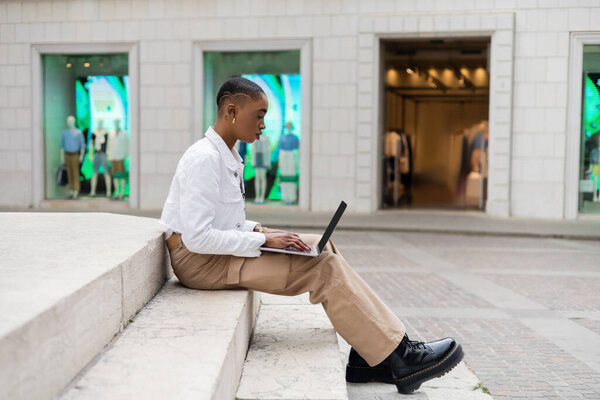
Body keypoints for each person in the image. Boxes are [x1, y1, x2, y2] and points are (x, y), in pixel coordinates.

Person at [159, 77, 463, 394]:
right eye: (259, 115)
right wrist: (264, 240)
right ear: (232, 111)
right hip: (201, 264)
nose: (264, 124)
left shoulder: (227, 155)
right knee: (323, 269)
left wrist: (263, 231)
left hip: (214, 254)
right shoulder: (204, 159)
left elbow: (225, 222)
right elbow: (197, 238)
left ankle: (368, 357)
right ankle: (402, 358)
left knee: (320, 245)